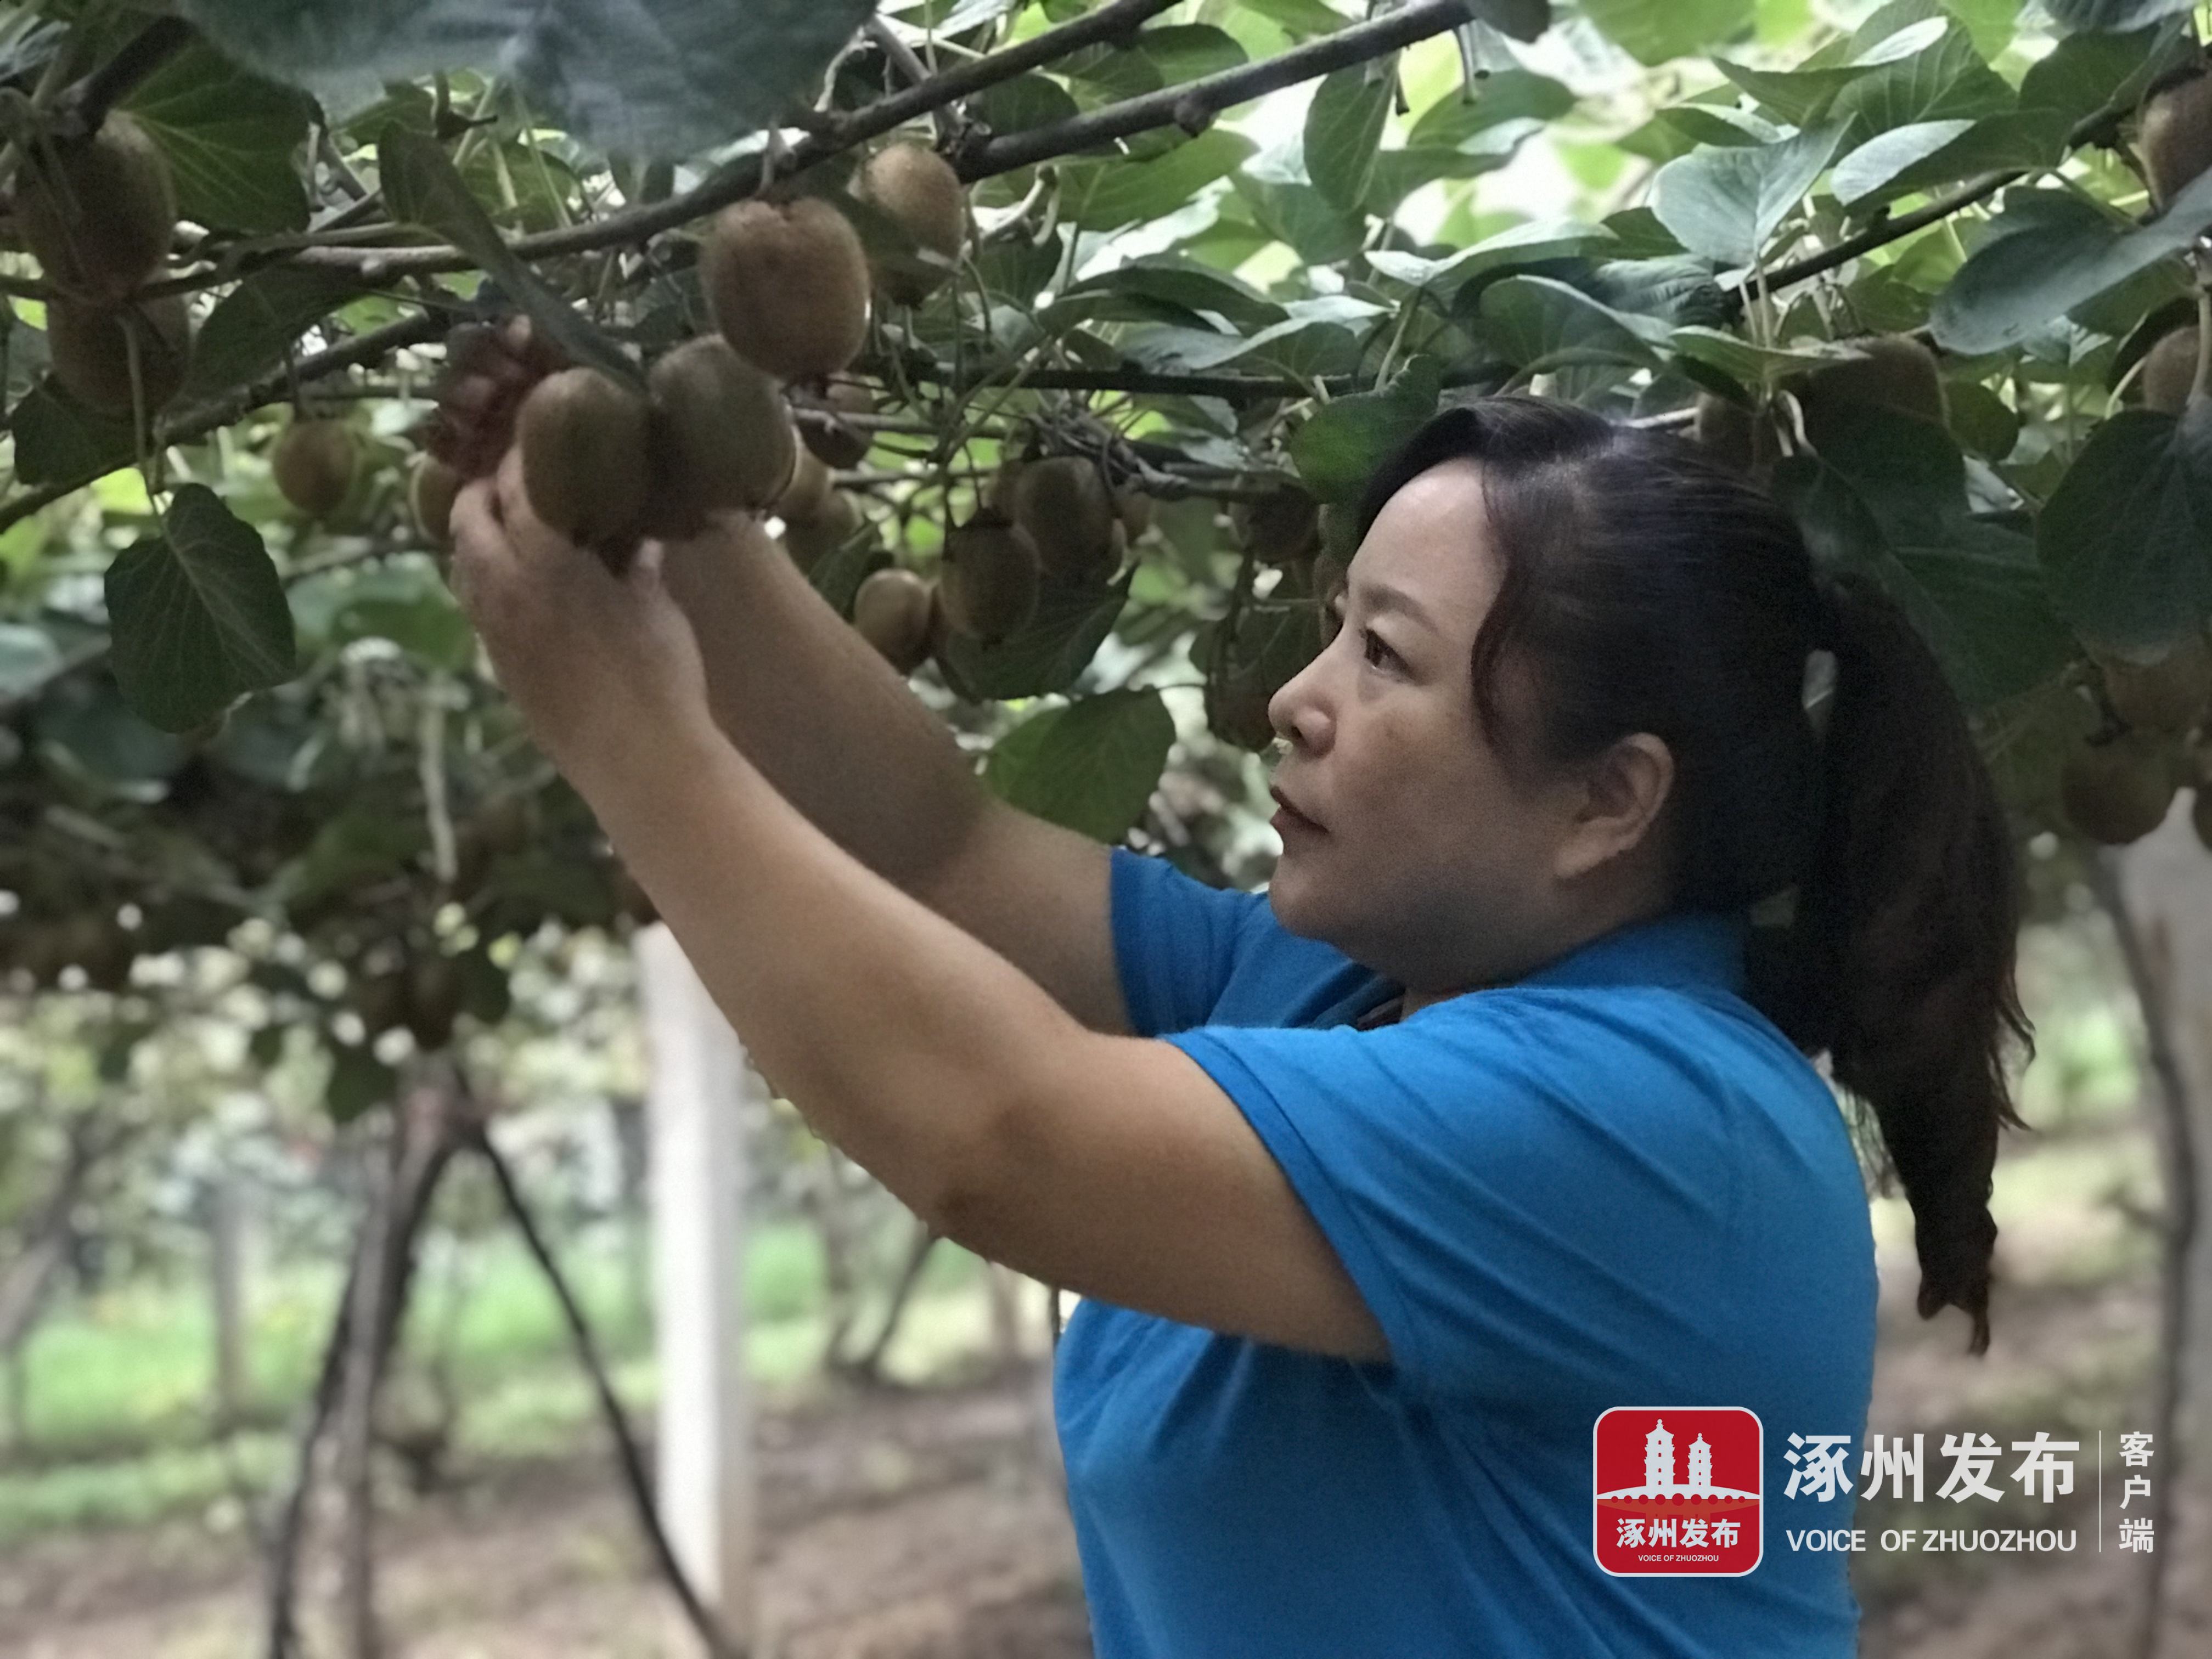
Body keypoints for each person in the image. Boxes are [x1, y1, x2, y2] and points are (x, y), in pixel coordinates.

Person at [442, 362, 2032, 1656]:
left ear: (1606, 803)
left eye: (1385, 656)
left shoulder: (1657, 1120)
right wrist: (653, 516)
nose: (1298, 693)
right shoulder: (1337, 993)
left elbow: (1000, 1137)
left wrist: (622, 729)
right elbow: (937, 846)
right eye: (1337, 627)